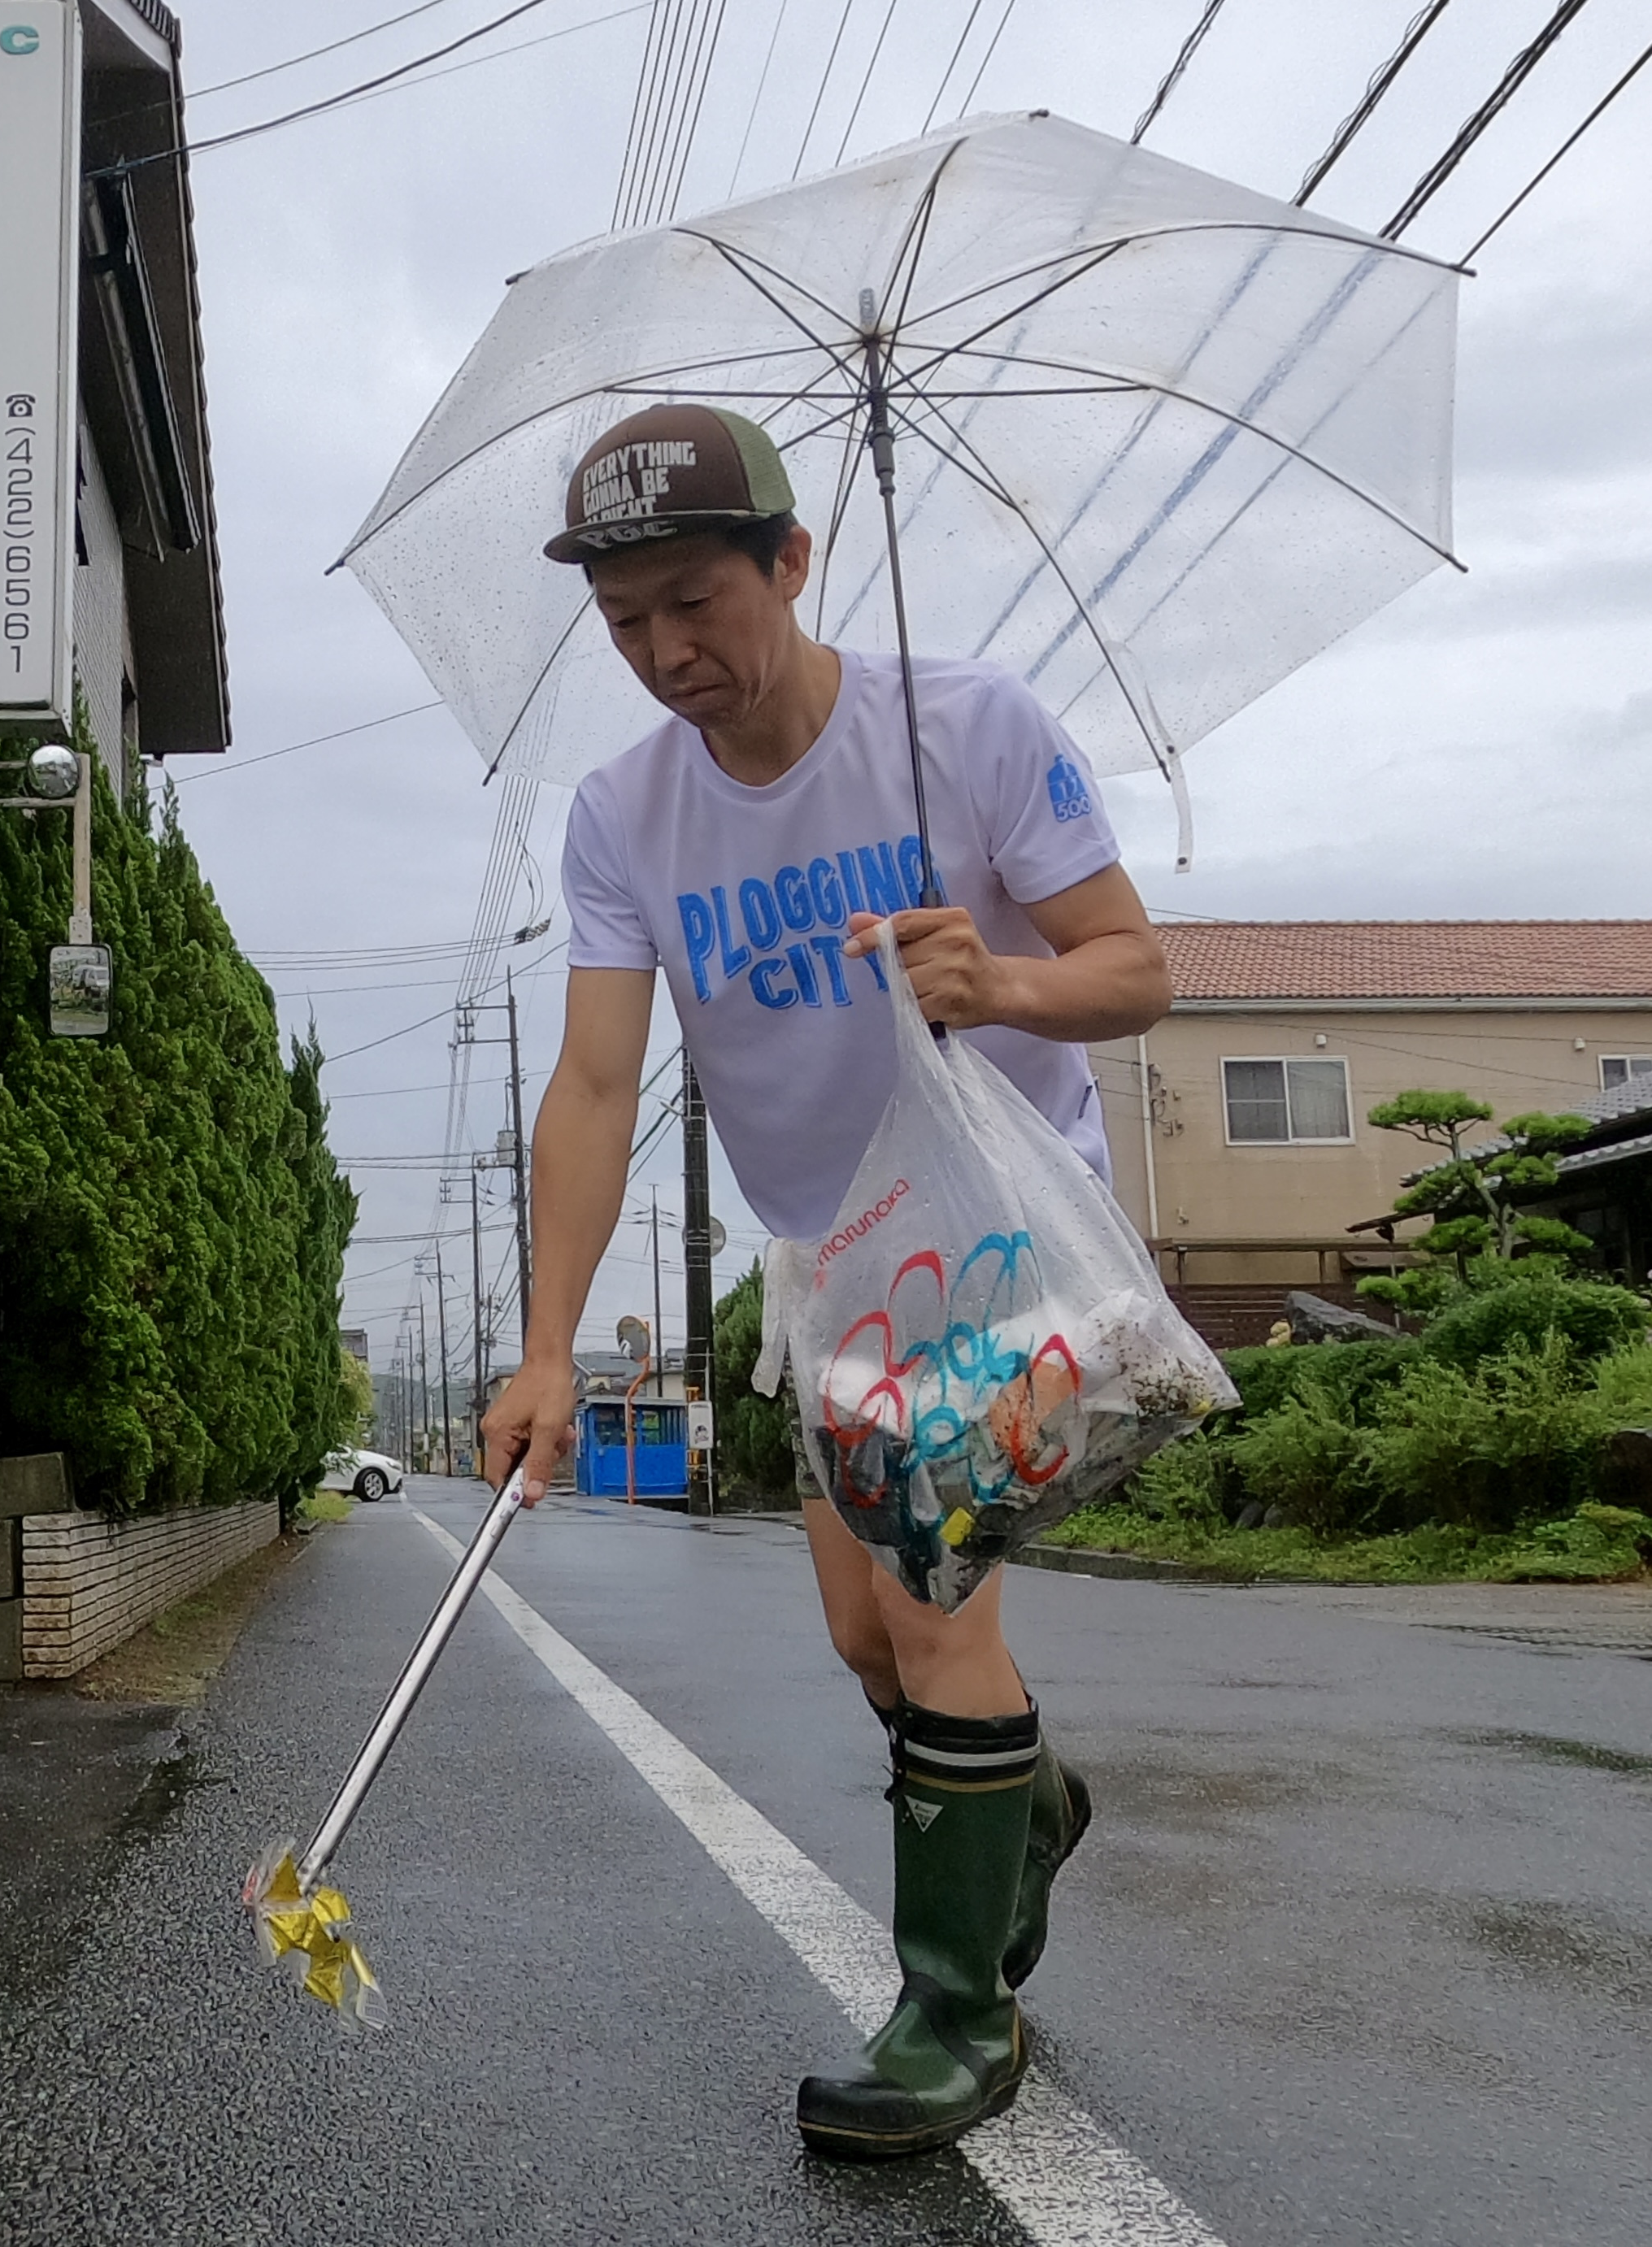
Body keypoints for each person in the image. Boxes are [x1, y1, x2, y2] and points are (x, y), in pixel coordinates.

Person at [480, 403, 1172, 2161]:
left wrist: (999, 984)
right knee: (868, 1635)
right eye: (624, 621)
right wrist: (545, 1347)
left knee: (936, 1610)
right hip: (831, 1263)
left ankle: (957, 2015)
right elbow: (590, 1086)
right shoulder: (623, 819)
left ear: (791, 562)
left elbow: (1133, 967)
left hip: (997, 1231)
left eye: (694, 602)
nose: (665, 654)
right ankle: (1023, 1802)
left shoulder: (970, 729)